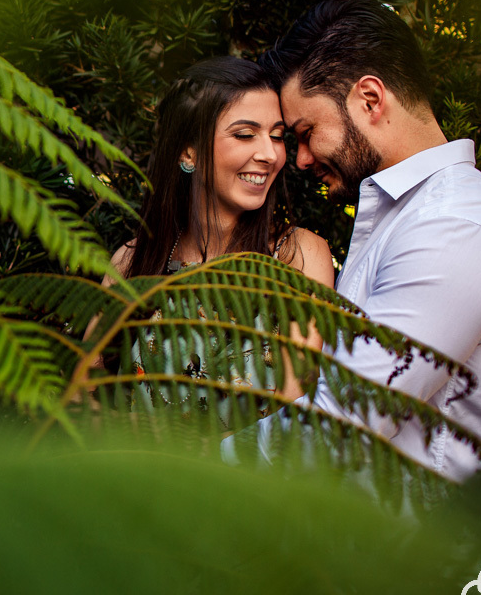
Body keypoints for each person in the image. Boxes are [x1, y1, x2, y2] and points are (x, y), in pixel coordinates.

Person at [246, 0, 481, 482]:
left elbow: (338, 427)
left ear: (370, 99)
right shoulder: (409, 216)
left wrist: (182, 468)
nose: (300, 159)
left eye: (307, 131)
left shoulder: (456, 228)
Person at [89, 57, 335, 413]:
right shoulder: (131, 260)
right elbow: (87, 399)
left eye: (277, 136)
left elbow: (291, 415)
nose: (270, 154)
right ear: (189, 151)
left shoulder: (299, 256)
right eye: (245, 134)